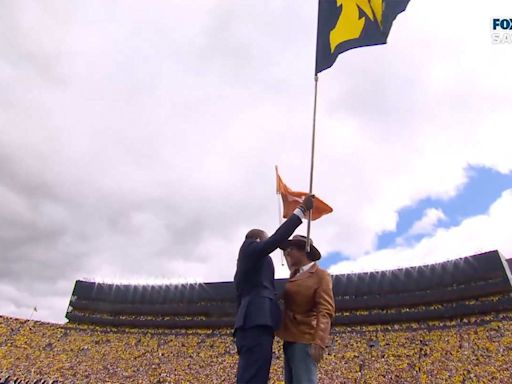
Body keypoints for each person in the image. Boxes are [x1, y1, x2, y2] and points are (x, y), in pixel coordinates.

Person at [233, 195, 315, 384]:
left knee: (255, 376)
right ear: (258, 239)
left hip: (253, 323)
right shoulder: (249, 247)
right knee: (254, 377)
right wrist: (301, 210)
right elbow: (276, 239)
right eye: (266, 241)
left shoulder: (246, 270)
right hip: (256, 322)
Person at [277, 235, 335, 384]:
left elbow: (325, 310)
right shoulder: (295, 275)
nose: (287, 253)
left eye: (291, 249)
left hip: (304, 339)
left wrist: (319, 340)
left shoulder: (321, 275)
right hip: (290, 339)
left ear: (304, 251)